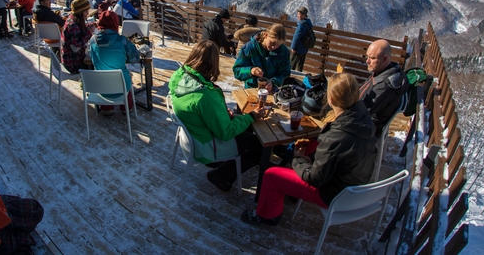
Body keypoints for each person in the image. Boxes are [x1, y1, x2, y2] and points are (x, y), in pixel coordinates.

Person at [240, 72, 377, 226]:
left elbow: (315, 179)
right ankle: (293, 193)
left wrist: (297, 159)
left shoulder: (337, 136)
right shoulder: (362, 117)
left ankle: (267, 216)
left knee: (271, 175)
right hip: (354, 184)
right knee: (311, 144)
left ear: (330, 100)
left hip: (334, 194)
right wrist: (308, 158)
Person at [170, 40, 266, 192]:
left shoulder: (180, 75)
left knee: (245, 129)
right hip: (205, 147)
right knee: (259, 146)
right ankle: (221, 175)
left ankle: (231, 166)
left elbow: (200, 110)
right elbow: (225, 132)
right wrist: (251, 116)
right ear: (213, 62)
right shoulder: (204, 96)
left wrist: (221, 113)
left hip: (193, 136)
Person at [89, 10, 139, 116]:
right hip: (121, 86)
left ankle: (107, 109)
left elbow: (91, 56)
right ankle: (126, 108)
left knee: (105, 72)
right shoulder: (122, 41)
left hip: (100, 86)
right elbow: (135, 59)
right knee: (122, 75)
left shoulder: (93, 40)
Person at [359, 39, 407, 136]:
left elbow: (361, 113)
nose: (367, 61)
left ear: (385, 59)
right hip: (365, 118)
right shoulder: (386, 71)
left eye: (372, 58)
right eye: (367, 56)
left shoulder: (384, 86)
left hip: (367, 128)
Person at [233, 23, 291, 91]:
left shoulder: (283, 52)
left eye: (278, 45)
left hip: (272, 90)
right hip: (252, 89)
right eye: (272, 43)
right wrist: (251, 71)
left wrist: (273, 82)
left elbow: (285, 74)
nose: (274, 47)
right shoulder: (249, 48)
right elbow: (237, 71)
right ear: (266, 35)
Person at [61, 0, 95, 74]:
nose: (87, 14)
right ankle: (87, 85)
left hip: (71, 59)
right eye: (86, 11)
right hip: (73, 64)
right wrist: (88, 32)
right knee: (98, 65)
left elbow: (78, 32)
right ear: (80, 12)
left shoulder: (72, 18)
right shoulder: (73, 25)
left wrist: (87, 27)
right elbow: (76, 48)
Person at [290, 6, 313, 72]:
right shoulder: (308, 23)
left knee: (292, 65)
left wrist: (293, 47)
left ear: (303, 15)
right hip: (305, 48)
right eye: (298, 14)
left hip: (298, 48)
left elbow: (296, 37)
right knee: (300, 65)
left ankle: (288, 78)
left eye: (299, 14)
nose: (298, 16)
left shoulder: (301, 24)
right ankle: (299, 76)